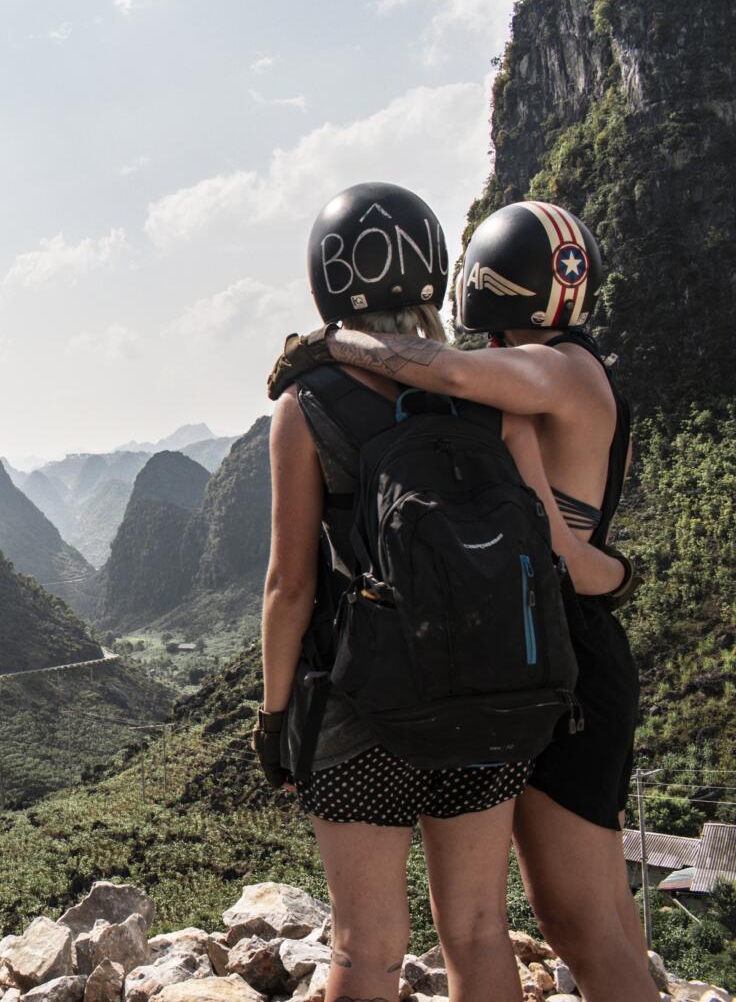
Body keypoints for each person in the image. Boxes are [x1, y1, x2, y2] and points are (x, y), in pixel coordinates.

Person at [267, 200, 656, 1001]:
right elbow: (540, 534)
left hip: (372, 702)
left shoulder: (308, 407)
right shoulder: (504, 393)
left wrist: (276, 718)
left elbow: (292, 583)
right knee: (483, 932)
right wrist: (620, 575)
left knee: (366, 948)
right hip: (506, 679)